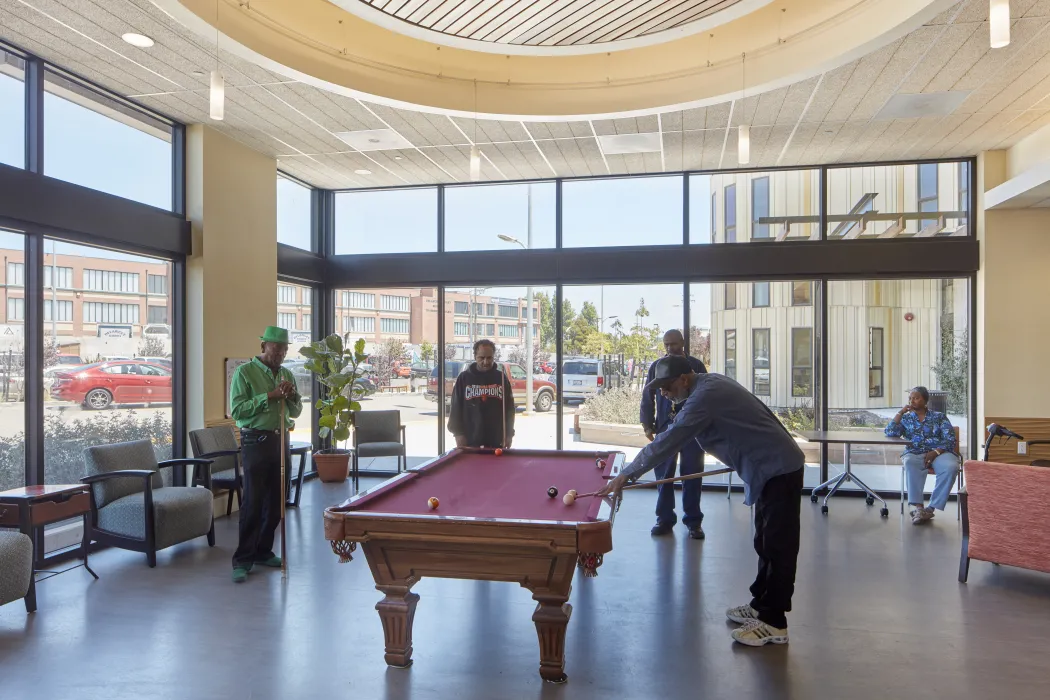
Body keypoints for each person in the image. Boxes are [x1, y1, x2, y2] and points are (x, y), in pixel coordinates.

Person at [599, 356, 805, 647]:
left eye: (667, 386)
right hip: (767, 467)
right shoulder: (709, 383)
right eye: (659, 389)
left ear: (684, 378)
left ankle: (774, 623)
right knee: (764, 541)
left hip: (778, 468)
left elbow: (669, 440)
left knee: (778, 546)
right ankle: (761, 605)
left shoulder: (703, 398)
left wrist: (628, 474)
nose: (664, 393)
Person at [228, 326, 302, 584]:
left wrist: (290, 396)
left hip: (280, 440)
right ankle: (243, 559)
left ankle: (263, 551)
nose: (280, 354)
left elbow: (296, 411)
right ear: (263, 347)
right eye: (276, 348)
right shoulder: (244, 372)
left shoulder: (287, 374)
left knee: (276, 502)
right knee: (253, 502)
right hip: (255, 441)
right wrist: (269, 396)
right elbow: (237, 411)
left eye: (284, 350)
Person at [640, 329, 708, 539]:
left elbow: (706, 395)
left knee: (692, 474)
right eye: (666, 345)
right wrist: (647, 424)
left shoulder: (695, 366)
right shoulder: (657, 367)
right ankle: (664, 519)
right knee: (664, 476)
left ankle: (693, 522)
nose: (670, 349)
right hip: (665, 427)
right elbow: (647, 395)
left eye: (674, 344)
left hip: (691, 429)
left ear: (683, 343)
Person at [885, 386, 959, 525]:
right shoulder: (906, 419)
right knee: (910, 463)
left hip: (940, 452)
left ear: (925, 401)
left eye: (916, 398)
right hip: (915, 452)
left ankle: (930, 509)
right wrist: (900, 412)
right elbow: (890, 432)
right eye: (910, 398)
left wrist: (935, 452)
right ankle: (919, 508)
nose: (912, 401)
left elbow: (950, 439)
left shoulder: (939, 417)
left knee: (951, 467)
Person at [448, 339, 515, 449]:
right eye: (481, 358)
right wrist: (458, 433)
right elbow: (455, 407)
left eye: (489, 358)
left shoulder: (501, 378)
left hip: (496, 439)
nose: (485, 362)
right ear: (475, 357)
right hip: (469, 438)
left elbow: (509, 409)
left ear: (494, 357)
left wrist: (509, 434)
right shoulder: (464, 378)